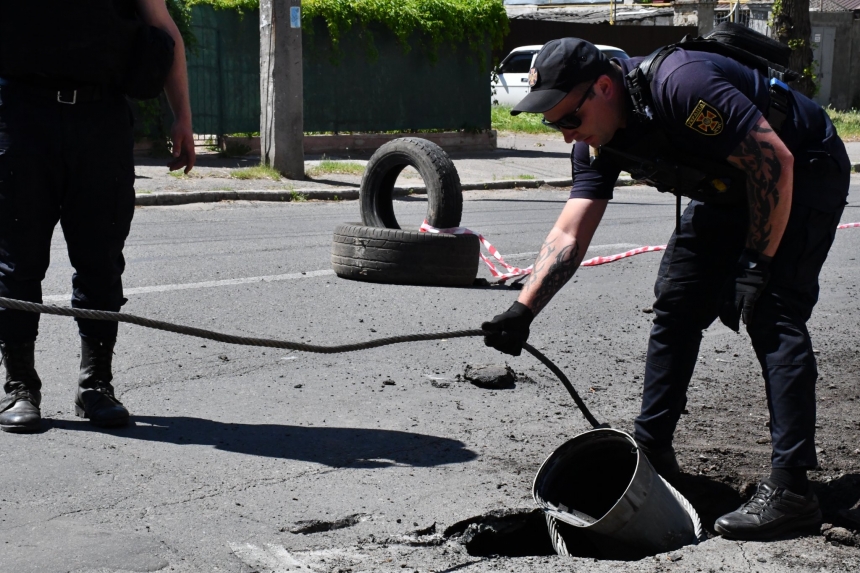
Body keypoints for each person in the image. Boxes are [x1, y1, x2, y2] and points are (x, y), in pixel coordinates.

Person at [482, 38, 850, 540]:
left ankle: (792, 492)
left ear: (604, 88)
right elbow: (571, 231)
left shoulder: (682, 85)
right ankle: (652, 451)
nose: (565, 133)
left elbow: (775, 163)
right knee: (677, 301)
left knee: (772, 310)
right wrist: (523, 309)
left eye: (567, 118)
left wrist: (757, 263)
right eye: (553, 124)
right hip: (730, 187)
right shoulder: (596, 136)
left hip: (801, 168)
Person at [0, 0, 195, 432]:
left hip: (101, 118)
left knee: (101, 258)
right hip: (21, 116)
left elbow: (164, 30)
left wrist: (182, 116)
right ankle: (19, 387)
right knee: (18, 258)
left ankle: (96, 385)